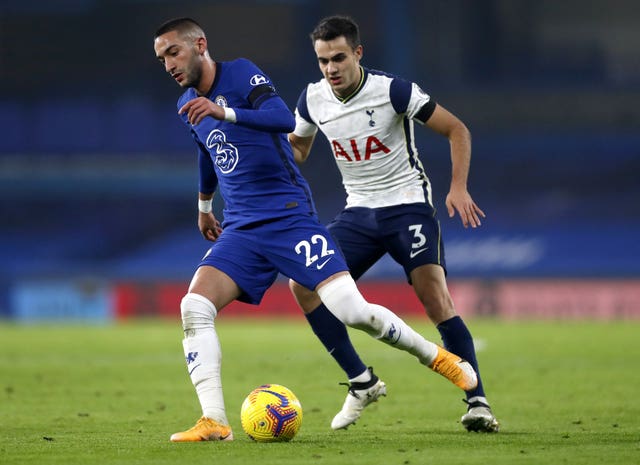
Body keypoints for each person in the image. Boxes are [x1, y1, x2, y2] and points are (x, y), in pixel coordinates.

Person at [153, 17, 478, 442]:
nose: (169, 64)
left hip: (288, 216)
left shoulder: (240, 73)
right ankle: (214, 420)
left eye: (173, 52)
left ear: (200, 45)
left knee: (351, 310)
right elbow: (206, 150)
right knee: (194, 306)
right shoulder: (186, 105)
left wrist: (225, 110)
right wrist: (203, 205)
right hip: (241, 226)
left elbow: (280, 120)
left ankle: (435, 356)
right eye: (161, 58)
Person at [288, 15, 499, 433]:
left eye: (339, 58)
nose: (331, 69)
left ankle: (478, 403)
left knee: (434, 296)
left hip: (407, 207)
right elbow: (298, 149)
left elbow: (457, 129)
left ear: (358, 53)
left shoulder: (393, 90)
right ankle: (361, 380)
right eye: (323, 60)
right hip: (358, 213)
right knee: (302, 285)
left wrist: (458, 187)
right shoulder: (312, 100)